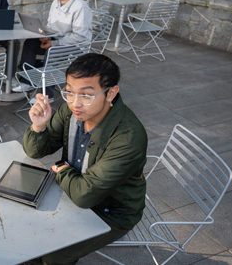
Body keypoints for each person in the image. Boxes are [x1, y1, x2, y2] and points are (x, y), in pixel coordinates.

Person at [23, 53, 147, 265]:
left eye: (86, 95)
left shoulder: (128, 138)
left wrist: (62, 170)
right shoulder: (70, 111)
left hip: (112, 210)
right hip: (70, 191)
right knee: (27, 228)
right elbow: (36, 151)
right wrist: (39, 125)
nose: (75, 103)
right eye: (69, 93)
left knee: (55, 254)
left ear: (111, 93)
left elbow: (85, 196)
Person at [14, 0, 92, 104]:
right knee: (30, 43)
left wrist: (54, 44)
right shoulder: (56, 2)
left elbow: (80, 37)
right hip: (57, 39)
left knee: (52, 53)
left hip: (76, 46)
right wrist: (46, 37)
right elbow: (50, 25)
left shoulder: (80, 8)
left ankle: (47, 95)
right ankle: (26, 82)